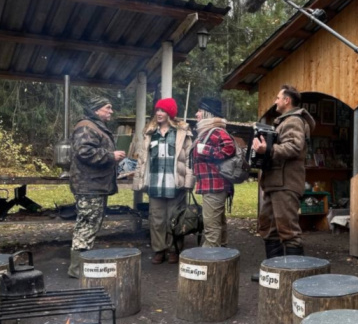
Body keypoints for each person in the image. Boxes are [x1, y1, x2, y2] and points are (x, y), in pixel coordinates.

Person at [252, 85, 315, 272]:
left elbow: (294, 147)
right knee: (269, 230)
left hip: (286, 184)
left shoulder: (294, 121)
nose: (275, 101)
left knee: (288, 232)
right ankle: (275, 273)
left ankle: (295, 277)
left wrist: (268, 150)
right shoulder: (283, 122)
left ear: (287, 100)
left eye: (278, 98)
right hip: (274, 183)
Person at [132, 98, 195, 264]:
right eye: (157, 110)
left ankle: (174, 249)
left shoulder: (182, 132)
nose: (159, 113)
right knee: (156, 219)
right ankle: (159, 250)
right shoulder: (149, 133)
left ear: (170, 114)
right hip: (155, 182)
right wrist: (138, 180)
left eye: (163, 111)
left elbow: (190, 158)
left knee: (174, 219)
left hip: (175, 183)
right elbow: (142, 159)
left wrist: (189, 180)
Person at [68, 96, 126, 278]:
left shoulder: (95, 126)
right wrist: (111, 156)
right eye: (107, 108)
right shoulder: (86, 126)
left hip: (95, 184)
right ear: (96, 110)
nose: (111, 111)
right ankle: (77, 268)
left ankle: (82, 264)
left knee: (91, 223)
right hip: (89, 185)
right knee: (86, 224)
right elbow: (84, 152)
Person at [192, 97, 236, 247]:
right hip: (211, 185)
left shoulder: (216, 131)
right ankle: (222, 254)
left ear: (207, 113)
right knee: (217, 223)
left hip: (215, 186)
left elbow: (230, 148)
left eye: (199, 111)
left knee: (211, 226)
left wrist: (205, 150)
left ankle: (210, 257)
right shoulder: (206, 131)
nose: (196, 114)